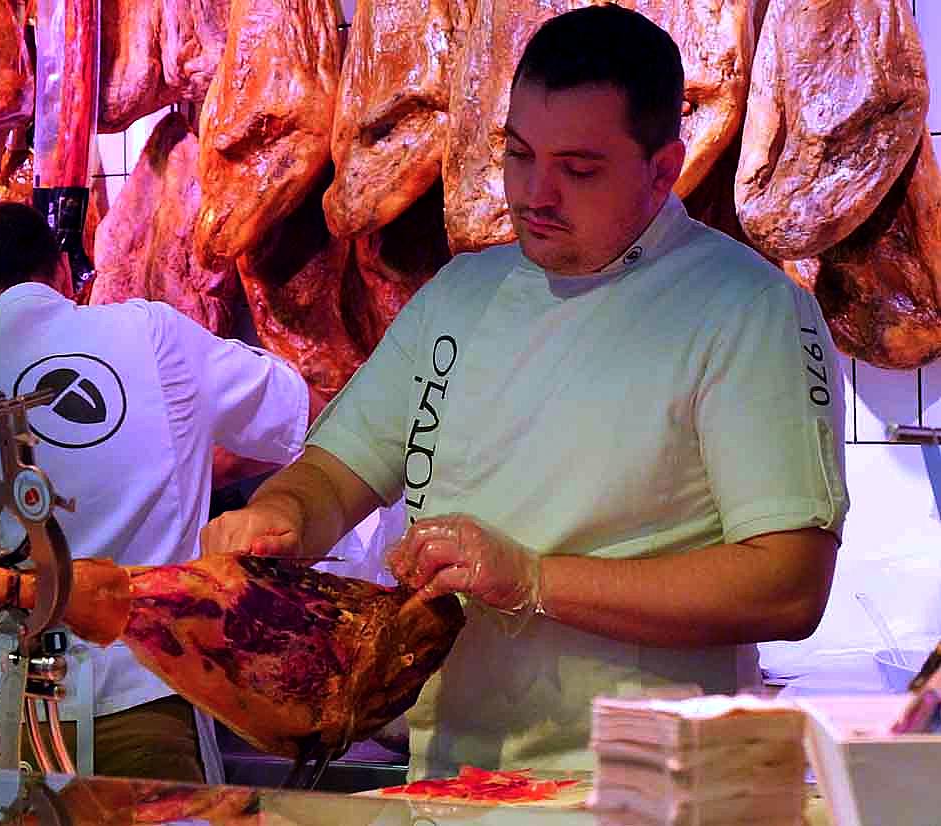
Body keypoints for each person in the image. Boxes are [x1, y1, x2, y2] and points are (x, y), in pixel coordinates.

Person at [201, 4, 849, 778]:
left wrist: (536, 581)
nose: (537, 193)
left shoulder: (751, 309)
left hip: (645, 790)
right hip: (451, 782)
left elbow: (789, 584)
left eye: (579, 170)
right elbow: (337, 471)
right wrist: (282, 515)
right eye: (518, 154)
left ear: (664, 170)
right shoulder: (463, 293)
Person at [0, 201, 320, 782]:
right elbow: (300, 414)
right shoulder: (154, 334)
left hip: (1, 714)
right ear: (63, 272)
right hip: (149, 697)